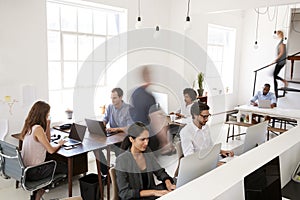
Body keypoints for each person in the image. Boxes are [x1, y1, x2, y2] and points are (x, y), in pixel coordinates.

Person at [115, 122, 176, 200]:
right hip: (136, 198)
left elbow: (159, 171)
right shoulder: (122, 160)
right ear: (131, 139)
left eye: (147, 139)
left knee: (175, 185)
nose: (146, 143)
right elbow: (124, 193)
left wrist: (168, 183)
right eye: (142, 139)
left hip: (150, 196)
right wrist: (153, 192)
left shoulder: (147, 151)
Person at [20, 101, 66, 200]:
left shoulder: (29, 126)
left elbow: (47, 140)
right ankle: (41, 189)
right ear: (43, 114)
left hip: (26, 170)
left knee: (55, 163)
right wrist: (60, 144)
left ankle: (38, 193)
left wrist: (48, 125)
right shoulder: (38, 129)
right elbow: (50, 150)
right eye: (47, 114)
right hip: (35, 171)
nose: (48, 116)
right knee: (65, 167)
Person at [273, 30, 288, 98]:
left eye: (277, 34)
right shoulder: (280, 43)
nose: (276, 36)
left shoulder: (281, 44)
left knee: (274, 75)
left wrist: (276, 59)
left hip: (281, 61)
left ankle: (284, 82)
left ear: (280, 35)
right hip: (280, 61)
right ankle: (276, 91)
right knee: (274, 75)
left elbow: (281, 53)